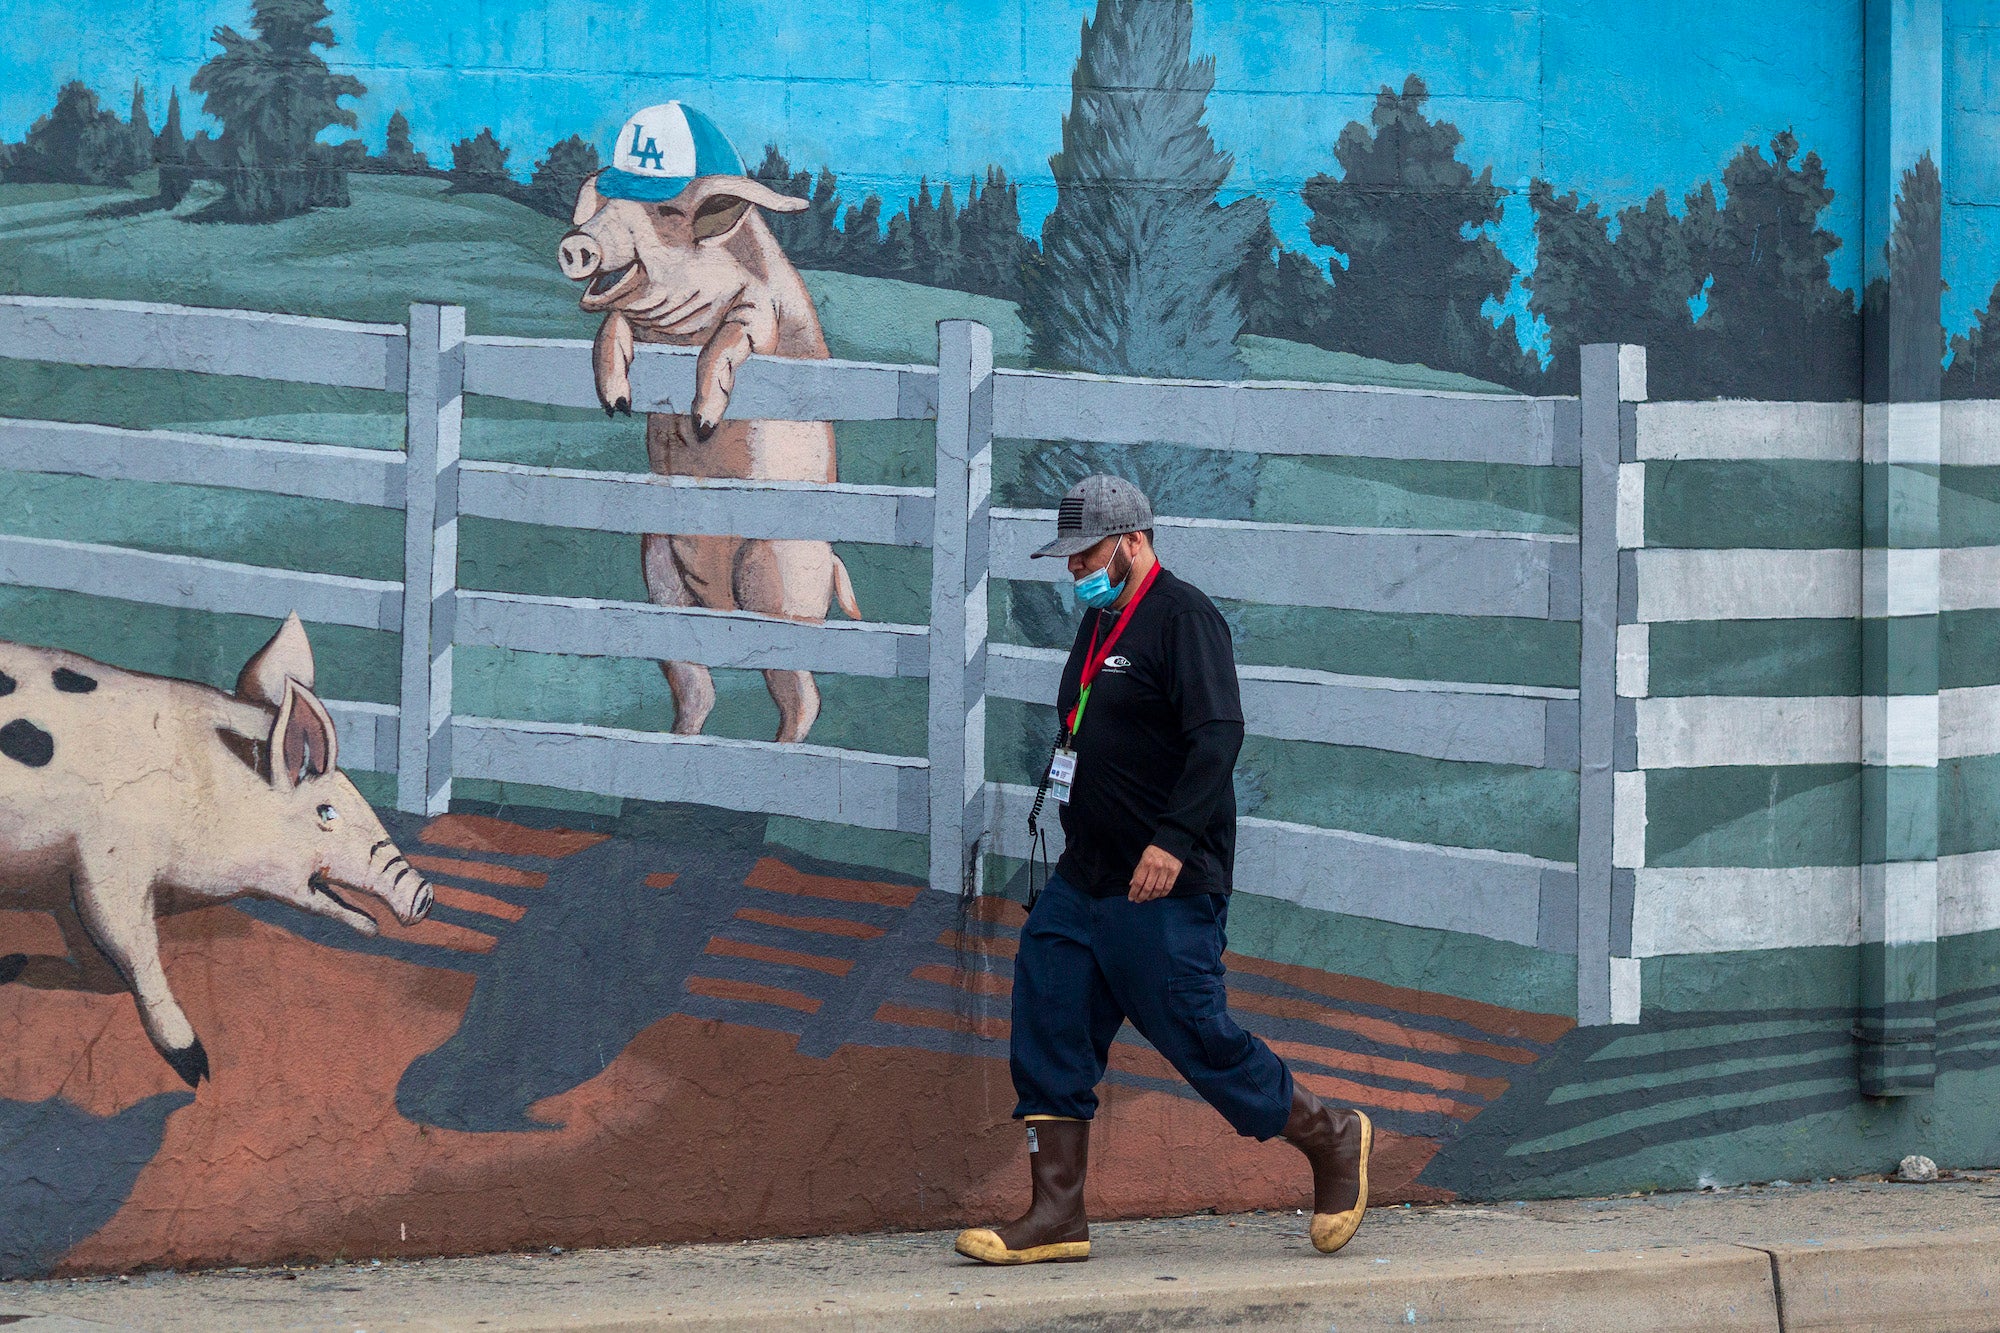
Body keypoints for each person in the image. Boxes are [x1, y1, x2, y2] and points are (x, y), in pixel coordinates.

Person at [954, 474, 1371, 1266]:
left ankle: (1331, 1135)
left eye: (1086, 556)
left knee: (1197, 1035)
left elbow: (1218, 737)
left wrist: (1172, 840)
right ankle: (1057, 1214)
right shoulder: (1103, 622)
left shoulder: (1185, 619)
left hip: (1165, 880)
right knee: (1049, 1006)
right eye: (1069, 561)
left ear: (1134, 541)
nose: (1076, 572)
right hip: (1088, 877)